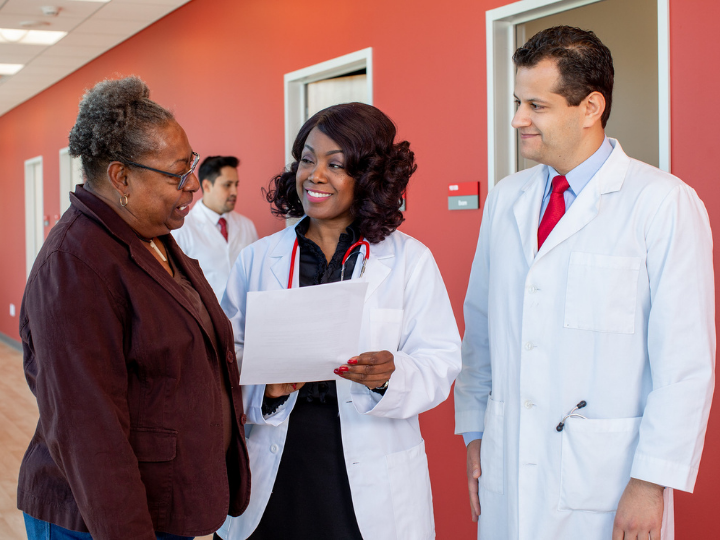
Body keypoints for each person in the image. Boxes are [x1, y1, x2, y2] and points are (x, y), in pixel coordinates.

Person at [454, 26, 715, 540]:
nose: (517, 119)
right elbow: (481, 328)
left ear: (591, 107)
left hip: (607, 478)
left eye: (537, 105)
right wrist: (476, 434)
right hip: (507, 458)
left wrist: (650, 483)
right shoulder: (508, 199)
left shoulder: (662, 202)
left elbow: (684, 363)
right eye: (516, 102)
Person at [17, 77, 251, 540]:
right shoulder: (74, 266)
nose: (192, 188)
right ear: (122, 177)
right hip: (102, 521)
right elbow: (88, 430)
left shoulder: (151, 237)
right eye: (177, 174)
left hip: (164, 503)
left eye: (193, 167)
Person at [216, 102, 462, 540]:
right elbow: (222, 355)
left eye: (336, 164)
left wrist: (391, 374)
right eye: (308, 159)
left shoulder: (410, 261)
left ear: (369, 177)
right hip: (277, 462)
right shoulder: (258, 259)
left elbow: (440, 361)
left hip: (368, 473)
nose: (315, 175)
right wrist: (264, 387)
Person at [172, 156, 258, 301]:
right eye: (227, 185)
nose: (234, 192)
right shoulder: (182, 228)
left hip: (245, 316)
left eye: (236, 184)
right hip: (205, 318)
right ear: (206, 186)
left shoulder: (247, 225)